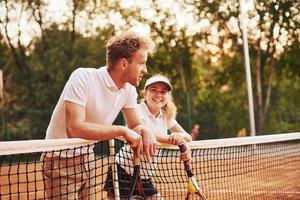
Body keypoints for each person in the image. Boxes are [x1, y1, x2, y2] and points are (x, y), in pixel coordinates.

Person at [41, 31, 158, 200]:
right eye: (141, 63)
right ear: (124, 64)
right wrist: (121, 131)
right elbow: (74, 127)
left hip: (88, 157)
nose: (145, 70)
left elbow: (134, 125)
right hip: (59, 160)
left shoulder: (129, 90)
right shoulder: (83, 77)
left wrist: (144, 130)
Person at [105, 74, 192, 199]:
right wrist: (173, 140)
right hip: (122, 172)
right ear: (145, 94)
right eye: (154, 90)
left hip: (145, 176)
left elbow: (188, 136)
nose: (159, 95)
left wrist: (178, 136)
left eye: (163, 92)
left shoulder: (167, 115)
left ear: (168, 96)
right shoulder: (136, 109)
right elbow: (147, 132)